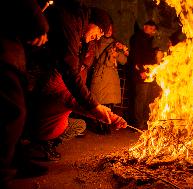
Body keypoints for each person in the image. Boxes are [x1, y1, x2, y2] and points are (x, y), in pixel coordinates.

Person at [26, 0, 127, 161]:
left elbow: (73, 75)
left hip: (46, 109)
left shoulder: (80, 34)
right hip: (39, 122)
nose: (99, 36)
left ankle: (38, 145)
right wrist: (100, 110)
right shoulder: (70, 25)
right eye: (100, 31)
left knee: (78, 124)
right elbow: (75, 99)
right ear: (92, 22)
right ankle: (34, 147)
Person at [0, 0, 49, 187]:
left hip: (10, 50)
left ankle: (16, 160)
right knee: (12, 114)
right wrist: (39, 26)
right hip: (4, 53)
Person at [88, 20, 129, 134]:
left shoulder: (116, 43)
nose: (110, 31)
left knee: (110, 102)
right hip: (100, 74)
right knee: (99, 101)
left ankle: (108, 125)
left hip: (111, 76)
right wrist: (108, 52)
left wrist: (118, 53)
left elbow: (124, 61)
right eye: (108, 29)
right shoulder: (96, 41)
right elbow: (95, 58)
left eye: (111, 29)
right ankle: (100, 125)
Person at [128, 20, 161, 130]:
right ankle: (137, 123)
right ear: (144, 27)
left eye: (154, 29)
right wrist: (141, 70)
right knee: (141, 98)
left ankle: (144, 122)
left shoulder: (148, 40)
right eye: (151, 28)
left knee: (147, 98)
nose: (153, 31)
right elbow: (136, 55)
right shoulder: (138, 38)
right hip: (141, 74)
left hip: (149, 73)